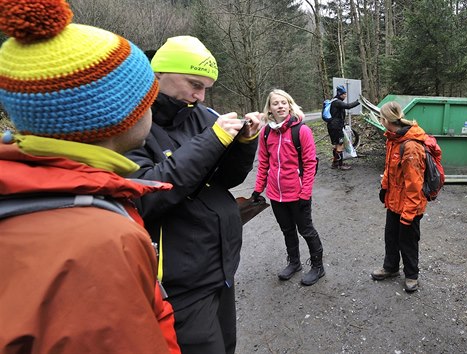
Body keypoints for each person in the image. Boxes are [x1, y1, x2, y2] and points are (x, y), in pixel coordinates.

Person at [0, 0, 180, 352]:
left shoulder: (28, 196)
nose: (152, 106)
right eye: (146, 98)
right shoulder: (99, 243)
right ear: (116, 116)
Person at [125, 35, 263, 354]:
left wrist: (244, 143)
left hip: (221, 265)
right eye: (194, 85)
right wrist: (212, 142)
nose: (200, 97)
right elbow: (145, 194)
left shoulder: (202, 115)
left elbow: (226, 179)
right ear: (159, 74)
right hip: (179, 283)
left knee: (227, 345)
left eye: (205, 88)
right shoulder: (133, 122)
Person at [251, 89, 325, 286]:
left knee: (306, 230)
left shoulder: (301, 131)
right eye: (275, 103)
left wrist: (305, 193)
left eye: (284, 102)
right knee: (287, 230)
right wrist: (258, 189)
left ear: (290, 105)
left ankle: (318, 267)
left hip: (298, 194)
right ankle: (294, 263)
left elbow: (310, 164)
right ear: (270, 109)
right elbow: (264, 164)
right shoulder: (266, 132)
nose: (280, 106)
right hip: (276, 195)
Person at [371, 101, 428, 293]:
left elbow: (415, 185)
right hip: (394, 201)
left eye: (380, 118)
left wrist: (409, 213)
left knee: (408, 241)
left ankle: (412, 275)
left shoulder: (410, 146)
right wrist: (384, 188)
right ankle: (391, 267)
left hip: (409, 205)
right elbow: (389, 168)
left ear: (386, 120)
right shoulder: (393, 139)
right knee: (391, 237)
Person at [327, 84, 360, 170]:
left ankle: (335, 163)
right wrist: (359, 101)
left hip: (333, 126)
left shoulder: (333, 101)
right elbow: (348, 106)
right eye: (343, 94)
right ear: (339, 94)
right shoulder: (337, 102)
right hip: (336, 127)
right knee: (340, 145)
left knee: (337, 144)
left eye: (345, 94)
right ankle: (339, 164)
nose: (345, 96)